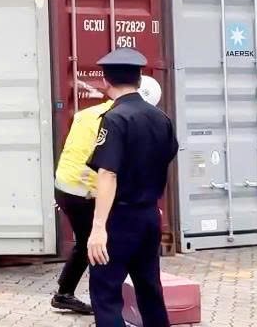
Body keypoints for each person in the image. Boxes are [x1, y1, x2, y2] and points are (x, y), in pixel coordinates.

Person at [51, 75, 163, 315]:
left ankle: (65, 292)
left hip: (65, 185)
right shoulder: (120, 119)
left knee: (85, 241)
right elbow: (110, 172)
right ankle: (94, 297)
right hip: (85, 190)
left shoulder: (93, 112)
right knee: (98, 243)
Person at [85, 48, 178, 327]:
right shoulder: (161, 118)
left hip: (120, 219)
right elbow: (166, 158)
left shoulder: (114, 119)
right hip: (149, 216)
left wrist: (98, 228)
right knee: (150, 288)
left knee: (106, 292)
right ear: (140, 80)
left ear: (105, 81)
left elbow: (108, 174)